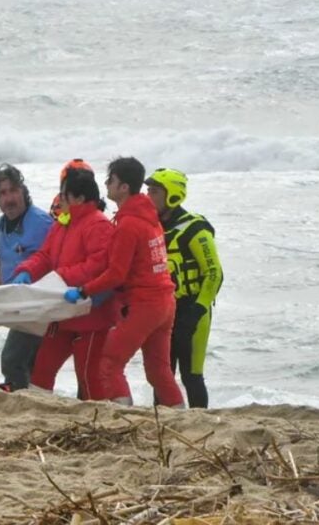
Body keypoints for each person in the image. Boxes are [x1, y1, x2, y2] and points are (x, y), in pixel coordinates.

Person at [64, 157, 185, 408]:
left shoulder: (128, 224)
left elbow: (116, 274)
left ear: (124, 187)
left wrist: (83, 290)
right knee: (158, 371)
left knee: (110, 363)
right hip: (165, 302)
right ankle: (182, 418)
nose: (106, 184)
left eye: (111, 180)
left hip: (145, 304)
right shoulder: (149, 217)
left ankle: (125, 417)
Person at [10, 165, 118, 400]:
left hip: (90, 315)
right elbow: (45, 255)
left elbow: (97, 266)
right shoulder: (63, 223)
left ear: (79, 197)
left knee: (88, 376)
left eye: (64, 194)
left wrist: (62, 277)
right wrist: (26, 270)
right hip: (62, 313)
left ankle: (97, 421)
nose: (60, 199)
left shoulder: (98, 225)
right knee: (42, 370)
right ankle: (40, 410)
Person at [145, 168, 223, 408]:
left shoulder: (195, 229)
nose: (148, 197)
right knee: (161, 376)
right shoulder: (151, 227)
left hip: (193, 312)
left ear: (173, 196)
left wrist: (197, 311)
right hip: (163, 312)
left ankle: (201, 422)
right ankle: (162, 424)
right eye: (148, 191)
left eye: (154, 192)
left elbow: (214, 274)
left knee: (192, 376)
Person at [0, 164, 53, 391]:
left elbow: (59, 261)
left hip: (39, 306)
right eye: (2, 193)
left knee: (12, 360)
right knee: (30, 363)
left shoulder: (42, 223)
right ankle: (31, 400)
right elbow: (1, 263)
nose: (9, 198)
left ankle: (18, 402)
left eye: (13, 190)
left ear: (23, 191)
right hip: (15, 305)